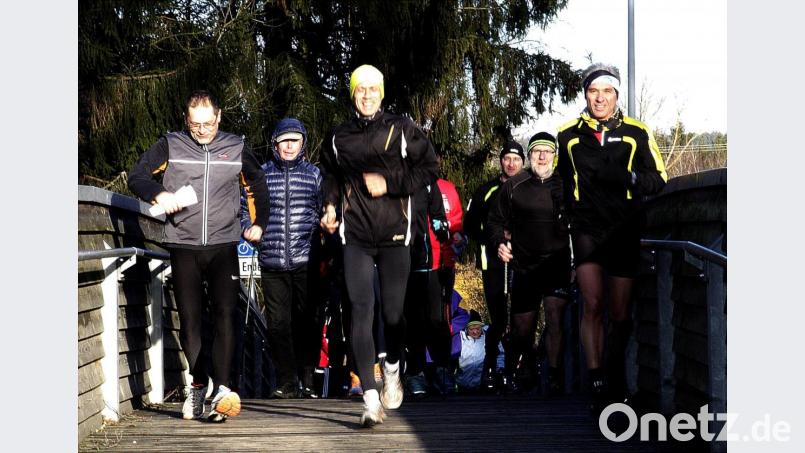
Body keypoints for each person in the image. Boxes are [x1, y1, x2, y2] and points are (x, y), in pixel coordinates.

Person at [127, 90, 269, 422]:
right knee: (190, 321)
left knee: (225, 314)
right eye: (195, 125)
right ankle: (198, 384)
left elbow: (257, 186)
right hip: (184, 244)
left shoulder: (236, 147)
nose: (202, 130)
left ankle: (222, 390)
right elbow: (137, 176)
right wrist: (159, 193)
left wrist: (259, 223)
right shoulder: (171, 145)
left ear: (219, 117)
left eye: (208, 124)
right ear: (186, 120)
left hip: (223, 244)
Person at [319, 64, 439, 427]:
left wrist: (389, 183)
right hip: (354, 233)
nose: (367, 95)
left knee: (392, 314)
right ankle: (370, 398)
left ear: (382, 94)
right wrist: (329, 206)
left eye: (373, 89)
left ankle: (392, 369)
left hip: (394, 233)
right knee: (360, 309)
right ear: (353, 94)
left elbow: (429, 167)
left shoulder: (401, 129)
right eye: (361, 89)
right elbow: (330, 175)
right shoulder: (338, 137)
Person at [556, 63, 667, 408]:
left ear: (617, 95)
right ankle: (596, 380)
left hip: (624, 228)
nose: (600, 98)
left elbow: (659, 178)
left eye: (607, 91)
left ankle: (615, 377)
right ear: (585, 95)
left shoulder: (636, 132)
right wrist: (563, 216)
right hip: (586, 229)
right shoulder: (567, 135)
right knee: (592, 304)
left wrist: (630, 178)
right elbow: (561, 182)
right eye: (593, 91)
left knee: (619, 314)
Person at [241, 118, 323, 399]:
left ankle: (307, 378)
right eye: (284, 140)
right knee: (278, 324)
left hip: (306, 259)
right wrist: (248, 228)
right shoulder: (261, 175)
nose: (289, 146)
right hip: (271, 260)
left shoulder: (314, 175)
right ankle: (286, 381)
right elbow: (244, 208)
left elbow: (324, 210)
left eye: (295, 140)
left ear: (303, 143)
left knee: (308, 320)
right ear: (275, 144)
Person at [489, 132, 572, 394]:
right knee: (522, 329)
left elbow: (582, 222)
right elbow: (494, 221)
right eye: (537, 151)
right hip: (525, 266)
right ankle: (529, 364)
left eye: (547, 151)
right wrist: (500, 244)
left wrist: (579, 260)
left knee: (555, 317)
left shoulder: (565, 185)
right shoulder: (515, 185)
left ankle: (555, 376)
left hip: (557, 263)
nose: (542, 156)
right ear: (530, 155)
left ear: (554, 156)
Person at [463, 140, 525, 392]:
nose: (511, 164)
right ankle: (489, 368)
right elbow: (470, 226)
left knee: (520, 318)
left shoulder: (529, 188)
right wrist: (496, 238)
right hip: (492, 262)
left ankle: (514, 369)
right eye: (507, 158)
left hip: (522, 262)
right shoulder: (486, 191)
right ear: (501, 161)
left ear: (523, 163)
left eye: (516, 159)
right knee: (498, 319)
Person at [402, 182, 451, 398]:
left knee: (435, 319)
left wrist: (446, 234)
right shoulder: (390, 175)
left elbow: (439, 216)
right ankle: (415, 372)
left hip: (425, 261)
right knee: (411, 321)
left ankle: (441, 370)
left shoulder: (428, 182)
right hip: (396, 261)